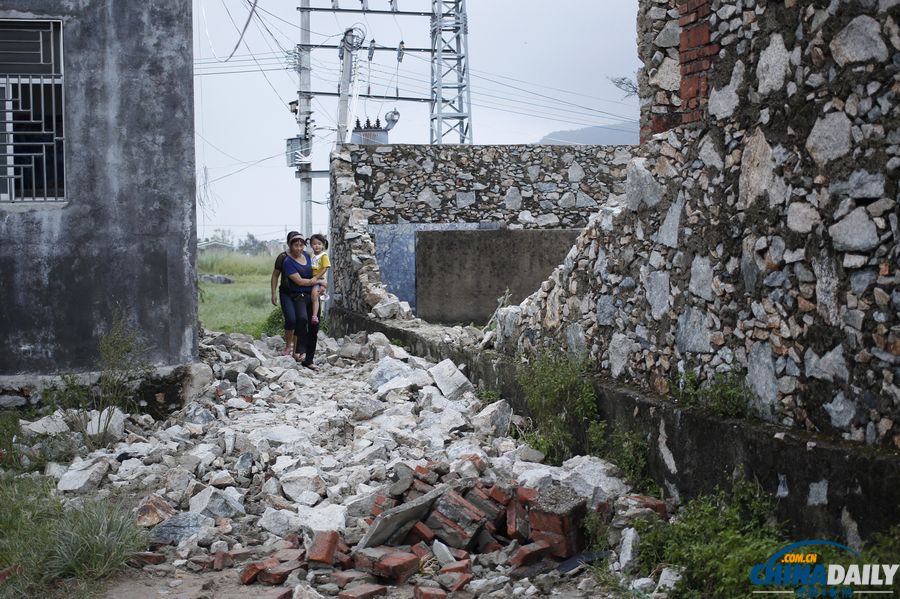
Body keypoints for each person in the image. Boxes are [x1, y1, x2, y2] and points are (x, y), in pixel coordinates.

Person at [280, 233, 322, 368]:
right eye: (295, 245)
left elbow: (319, 270)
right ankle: (299, 350)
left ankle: (309, 360)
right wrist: (317, 281)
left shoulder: (309, 256)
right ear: (290, 246)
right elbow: (300, 282)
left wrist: (321, 283)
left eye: (301, 245)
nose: (298, 248)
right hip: (299, 296)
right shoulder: (287, 262)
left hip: (313, 295)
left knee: (314, 327)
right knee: (302, 320)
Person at [271, 231, 298, 356]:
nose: (296, 245)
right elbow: (275, 275)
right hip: (286, 293)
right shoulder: (282, 257)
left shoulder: (304, 257)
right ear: (289, 243)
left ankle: (296, 349)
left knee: (301, 320)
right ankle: (288, 346)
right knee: (291, 319)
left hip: (301, 293)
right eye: (293, 242)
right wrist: (273, 293)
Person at [308, 233, 331, 326]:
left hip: (318, 279)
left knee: (314, 296)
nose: (316, 246)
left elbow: (325, 268)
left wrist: (316, 277)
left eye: (319, 244)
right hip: (313, 278)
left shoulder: (323, 256)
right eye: (314, 244)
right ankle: (323, 293)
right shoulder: (312, 256)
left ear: (323, 245)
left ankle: (314, 316)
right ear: (311, 245)